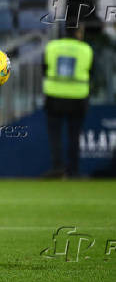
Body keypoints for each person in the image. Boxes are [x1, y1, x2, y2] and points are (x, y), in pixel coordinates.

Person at [43, 24, 93, 178]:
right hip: (77, 98)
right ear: (78, 32)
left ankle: (57, 168)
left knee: (55, 136)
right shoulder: (86, 49)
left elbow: (43, 69)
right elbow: (92, 73)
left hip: (54, 97)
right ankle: (74, 171)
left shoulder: (52, 47)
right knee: (74, 137)